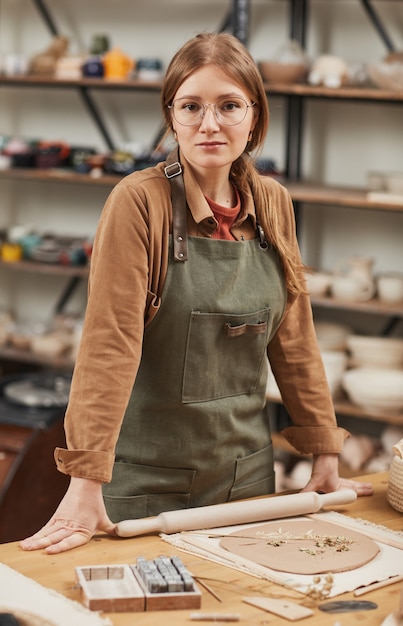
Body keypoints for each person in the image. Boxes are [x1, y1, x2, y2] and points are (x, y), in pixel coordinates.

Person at [21, 32, 373, 555]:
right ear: (172, 117)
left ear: (255, 117)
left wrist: (324, 454)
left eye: (230, 105)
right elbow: (108, 346)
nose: (210, 124)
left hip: (247, 479)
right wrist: (86, 480)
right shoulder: (139, 202)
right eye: (192, 106)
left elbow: (295, 340)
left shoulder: (273, 202)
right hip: (146, 485)